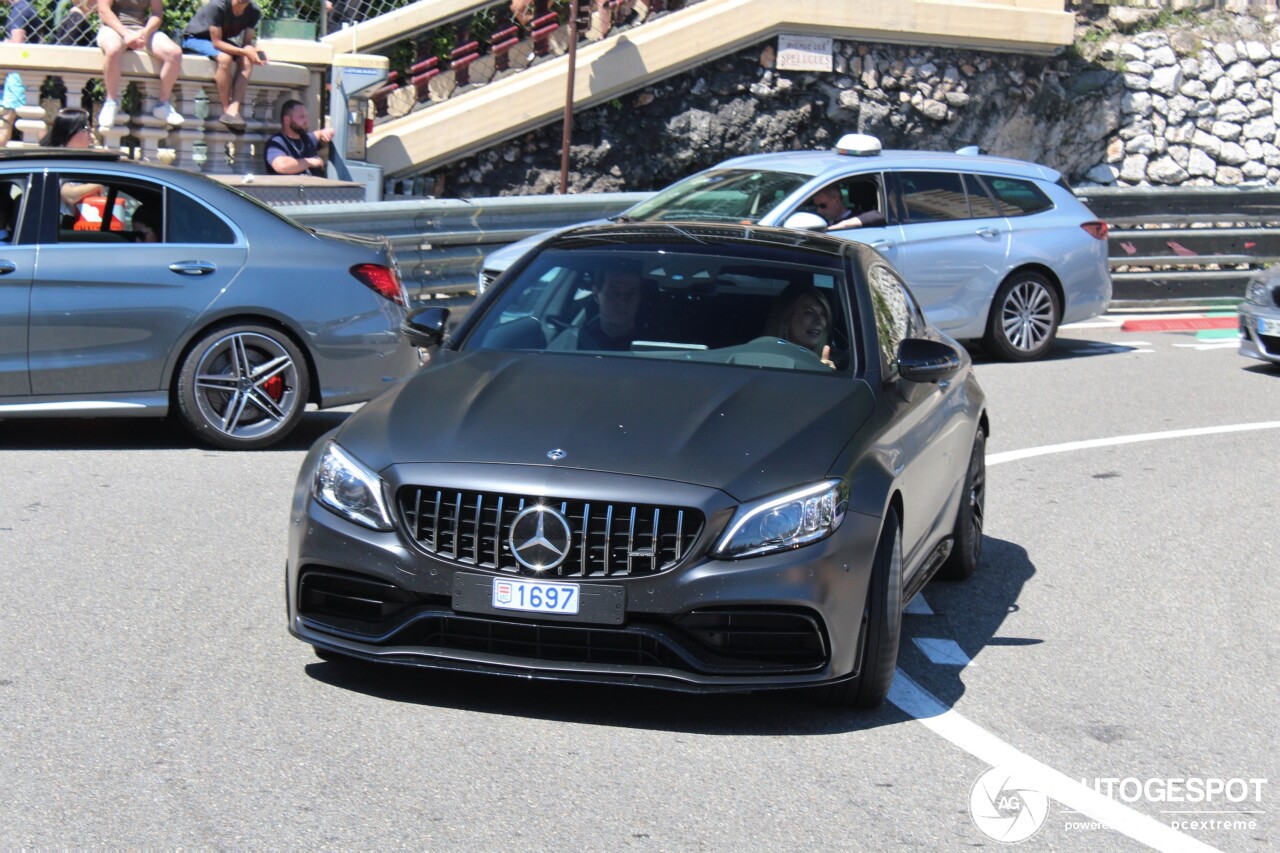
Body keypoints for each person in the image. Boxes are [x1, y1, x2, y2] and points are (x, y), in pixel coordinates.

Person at [96, 0, 186, 131]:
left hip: (141, 31)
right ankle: (111, 102)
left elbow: (157, 14)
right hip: (112, 29)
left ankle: (163, 105)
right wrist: (126, 34)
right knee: (113, 49)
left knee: (174, 53)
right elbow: (104, 10)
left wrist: (144, 33)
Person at [181, 0, 264, 132]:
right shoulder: (218, 6)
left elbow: (247, 42)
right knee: (225, 59)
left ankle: (234, 108)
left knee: (247, 61)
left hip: (222, 41)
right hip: (196, 38)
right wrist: (244, 51)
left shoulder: (254, 11)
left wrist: (254, 53)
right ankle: (226, 110)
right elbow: (217, 43)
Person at [550, 267, 643, 351]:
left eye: (631, 293)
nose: (623, 301)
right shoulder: (570, 342)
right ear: (595, 295)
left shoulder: (655, 345)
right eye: (614, 292)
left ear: (639, 297)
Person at [41, 108, 103, 225]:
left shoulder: (77, 160)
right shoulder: (56, 160)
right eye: (87, 129)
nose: (91, 135)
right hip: (58, 229)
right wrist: (99, 183)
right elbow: (69, 195)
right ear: (71, 130)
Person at [764, 282, 836, 368]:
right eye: (809, 313)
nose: (818, 321)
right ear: (787, 318)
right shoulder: (764, 359)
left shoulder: (830, 362)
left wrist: (827, 374)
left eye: (823, 314)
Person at [1, 0, 38, 147]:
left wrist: (4, 44)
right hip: (27, 73)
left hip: (17, 74)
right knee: (30, 119)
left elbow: (18, 43)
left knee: (6, 120)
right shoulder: (28, 7)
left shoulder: (19, 10)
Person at [264, 99, 334, 177]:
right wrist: (310, 162)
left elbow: (319, 134)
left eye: (306, 116)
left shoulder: (307, 139)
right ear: (287, 120)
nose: (306, 121)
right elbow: (282, 166)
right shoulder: (276, 143)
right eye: (301, 117)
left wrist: (327, 132)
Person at [811, 184, 885, 231]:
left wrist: (843, 225)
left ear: (836, 200)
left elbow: (877, 216)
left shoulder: (857, 216)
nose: (819, 211)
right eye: (816, 206)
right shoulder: (821, 220)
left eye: (822, 206)